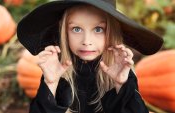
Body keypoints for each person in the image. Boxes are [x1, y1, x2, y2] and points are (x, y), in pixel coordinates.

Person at [17, 0, 163, 113]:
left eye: (98, 29)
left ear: (111, 32)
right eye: (76, 29)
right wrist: (50, 84)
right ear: (64, 31)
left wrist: (122, 85)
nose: (87, 41)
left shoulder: (121, 73)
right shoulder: (58, 72)